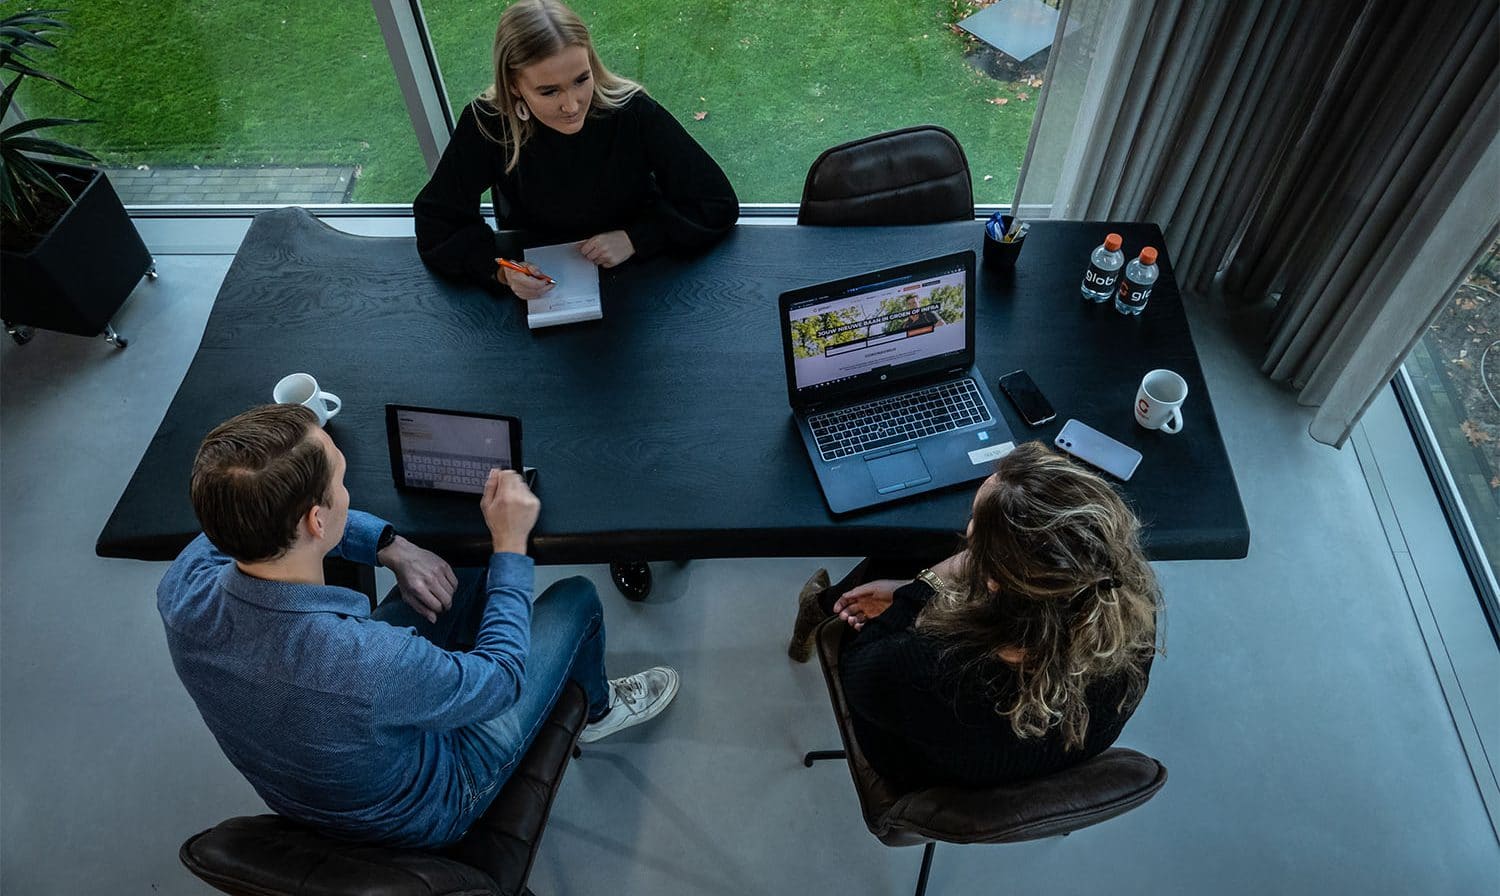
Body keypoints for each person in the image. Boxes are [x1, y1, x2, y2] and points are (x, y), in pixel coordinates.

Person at [158, 404, 679, 848]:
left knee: (454, 565)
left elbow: (256, 533)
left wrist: (393, 547)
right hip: (430, 805)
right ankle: (598, 712)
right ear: (317, 521)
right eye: (341, 483)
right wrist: (510, 544)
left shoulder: (182, 589)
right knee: (577, 599)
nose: (348, 488)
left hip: (310, 786)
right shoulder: (368, 662)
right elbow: (501, 680)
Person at [787, 441, 1161, 790]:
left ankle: (816, 608)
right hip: (1037, 760)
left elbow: (861, 667)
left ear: (994, 579)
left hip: (930, 777)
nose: (967, 531)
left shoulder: (915, 670)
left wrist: (916, 589)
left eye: (973, 529)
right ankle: (820, 604)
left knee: (887, 560)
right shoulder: (1126, 604)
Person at [414, 0, 738, 302]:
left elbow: (716, 202)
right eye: (549, 91)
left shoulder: (631, 112)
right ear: (514, 86)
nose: (571, 105)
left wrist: (636, 239)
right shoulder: (489, 124)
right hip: (542, 285)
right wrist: (501, 271)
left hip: (641, 281)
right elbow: (437, 220)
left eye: (582, 79)